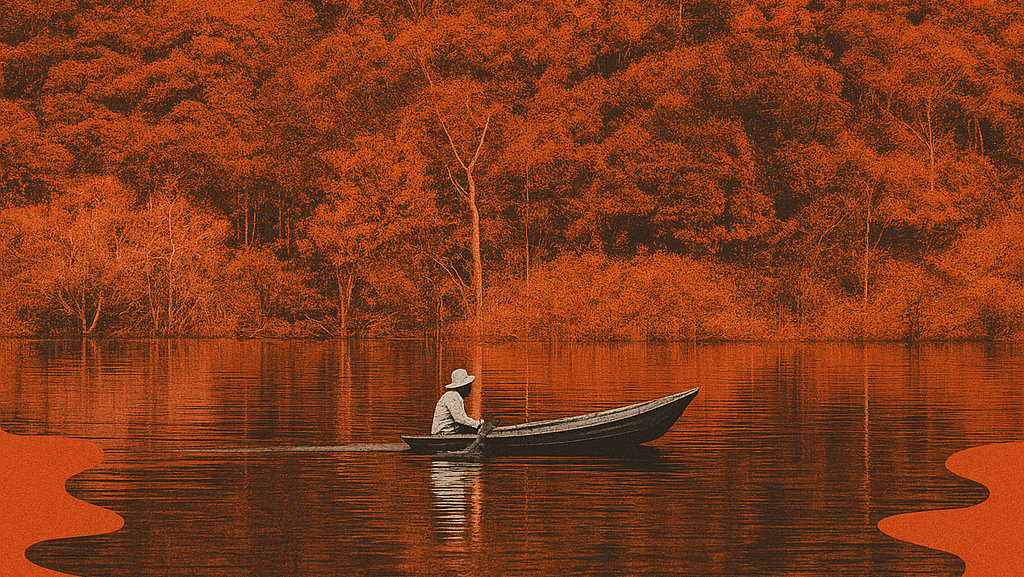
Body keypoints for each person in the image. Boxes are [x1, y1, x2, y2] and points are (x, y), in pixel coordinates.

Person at [431, 368, 482, 435]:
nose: (470, 389)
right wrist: (478, 425)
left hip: (449, 430)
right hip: (443, 432)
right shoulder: (452, 396)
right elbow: (459, 418)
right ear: (463, 387)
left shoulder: (455, 396)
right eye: (468, 386)